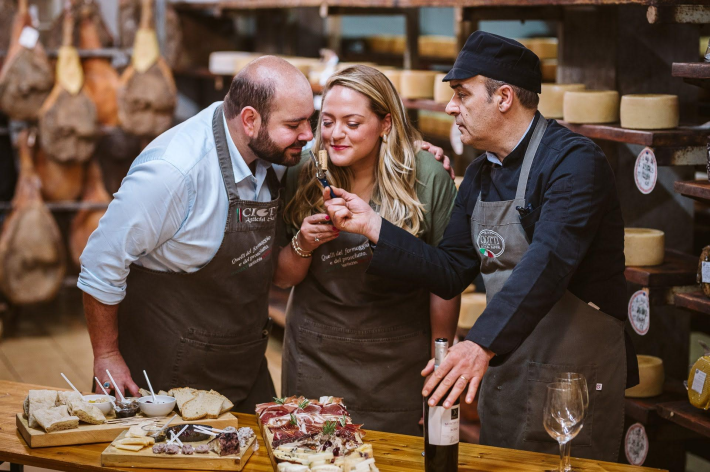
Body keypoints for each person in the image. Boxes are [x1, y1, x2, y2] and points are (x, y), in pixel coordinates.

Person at [323, 32, 638, 461]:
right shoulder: (480, 174)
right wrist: (375, 226)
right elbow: (452, 269)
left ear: (504, 97)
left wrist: (479, 345)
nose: (451, 106)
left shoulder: (574, 162)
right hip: (508, 368)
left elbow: (549, 261)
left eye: (462, 94)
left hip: (571, 375)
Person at [78, 56, 315, 411]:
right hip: (166, 374)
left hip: (243, 363)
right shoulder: (174, 172)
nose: (308, 135)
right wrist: (107, 354)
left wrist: (405, 151)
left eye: (310, 121)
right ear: (249, 120)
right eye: (295, 124)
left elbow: (328, 149)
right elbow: (101, 262)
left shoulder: (273, 148)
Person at [274, 65, 460, 435]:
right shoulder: (303, 172)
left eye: (352, 123)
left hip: (397, 362)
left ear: (386, 123)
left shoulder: (427, 176)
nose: (335, 134)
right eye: (327, 121)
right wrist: (304, 243)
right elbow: (281, 278)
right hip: (316, 355)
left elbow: (445, 280)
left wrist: (441, 361)